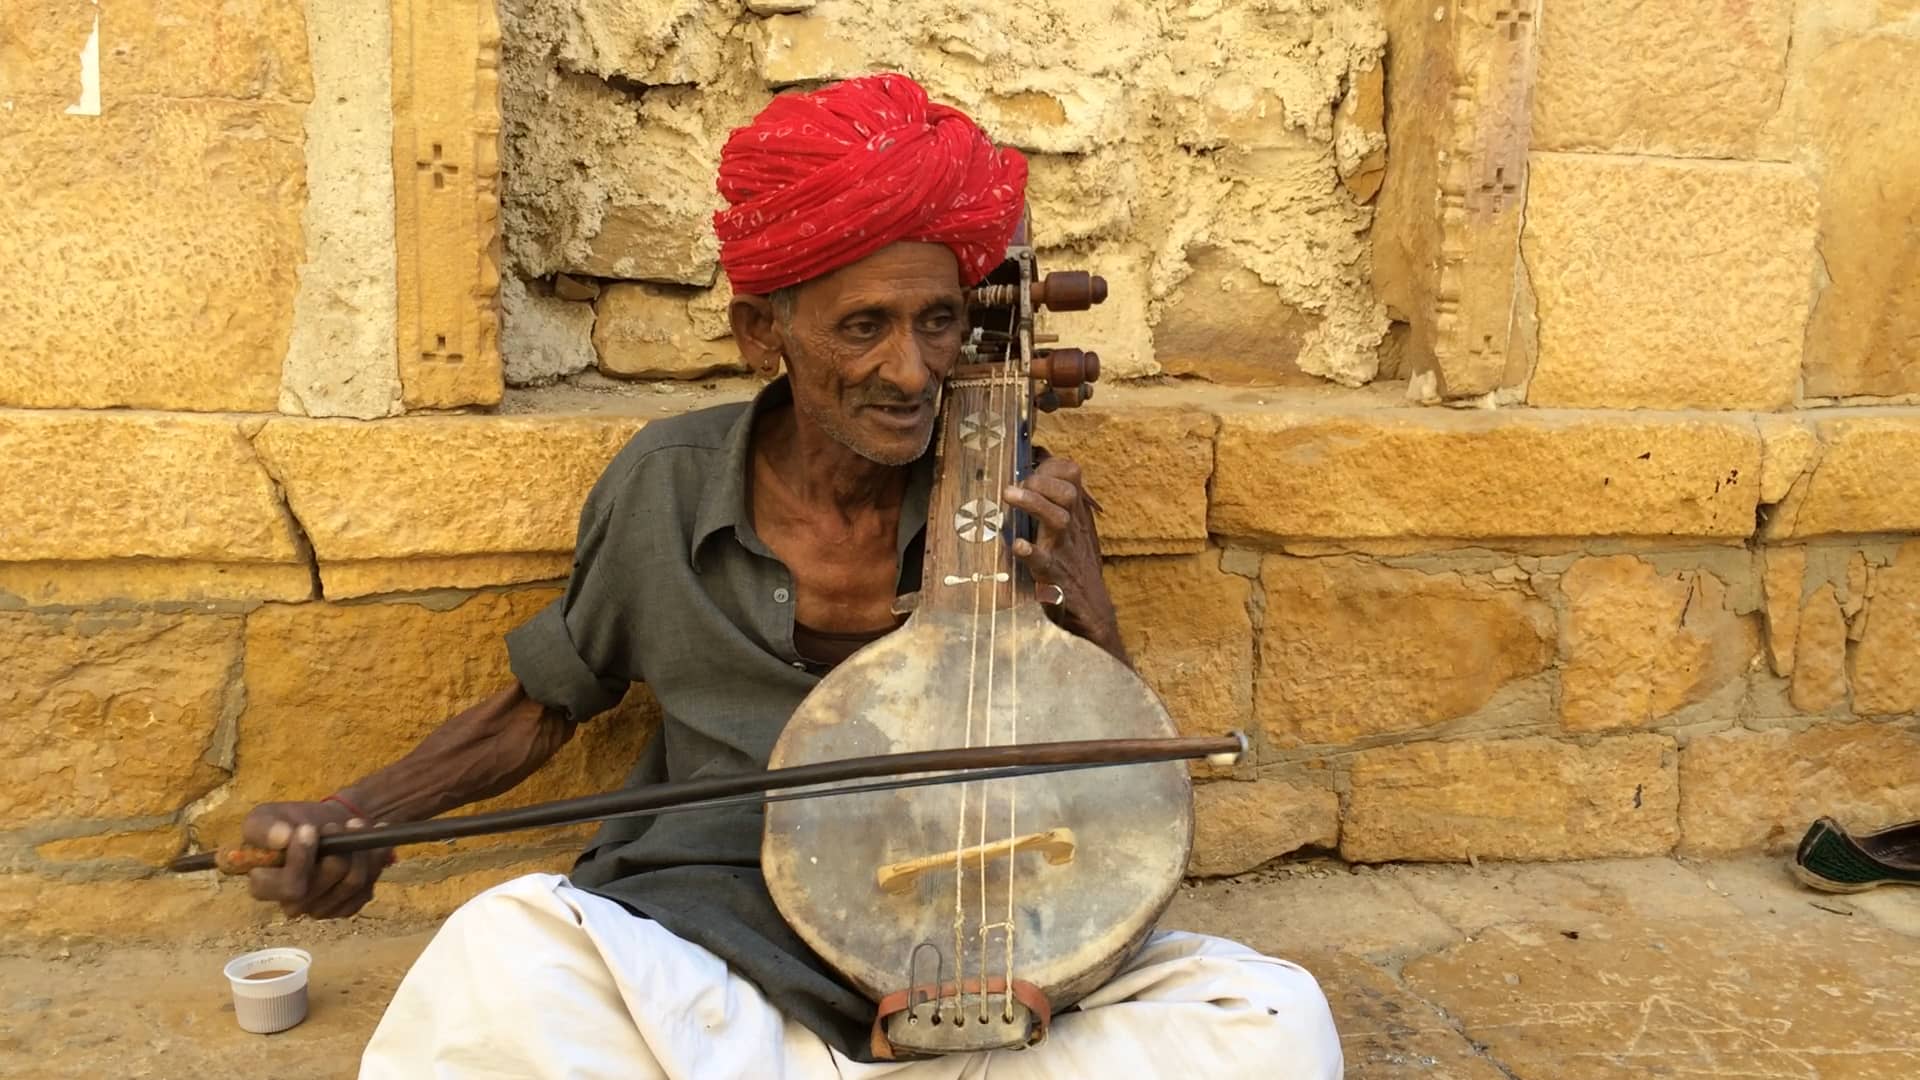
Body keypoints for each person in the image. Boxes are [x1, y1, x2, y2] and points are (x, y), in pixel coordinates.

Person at [239, 73, 1342, 1079]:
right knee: (495, 963)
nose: (912, 373)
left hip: (996, 949)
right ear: (761, 327)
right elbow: (539, 710)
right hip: (720, 936)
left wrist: (1089, 610)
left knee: (1273, 1022)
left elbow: (1115, 780)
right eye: (864, 327)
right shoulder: (667, 487)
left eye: (940, 322)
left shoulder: (1012, 496)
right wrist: (357, 818)